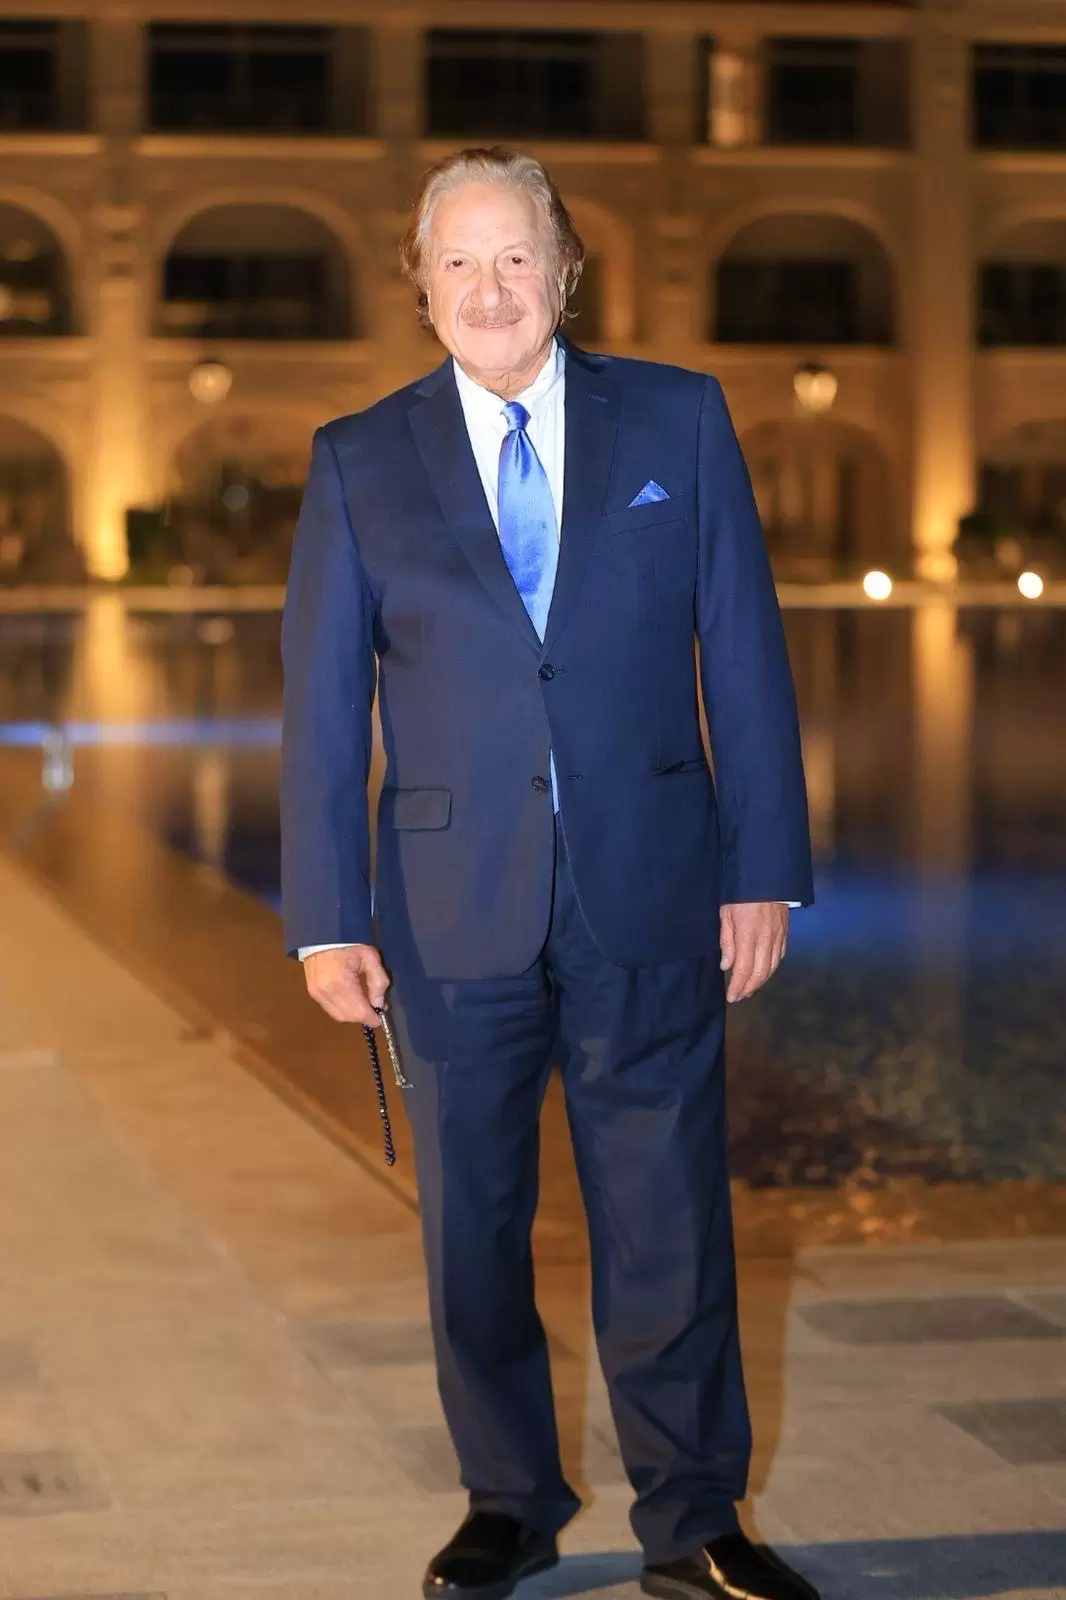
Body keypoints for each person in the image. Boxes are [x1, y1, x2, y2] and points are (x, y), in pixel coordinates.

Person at [281, 147, 817, 1600]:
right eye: (457, 262)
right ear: (421, 287)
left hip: (652, 887)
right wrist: (325, 917)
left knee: (670, 1221)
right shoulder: (358, 457)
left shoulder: (679, 418)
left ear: (566, 271)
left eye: (515, 256)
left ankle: (694, 1522)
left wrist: (762, 867)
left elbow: (745, 651)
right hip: (447, 906)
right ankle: (507, 1502)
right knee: (471, 1231)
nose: (488, 288)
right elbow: (322, 706)